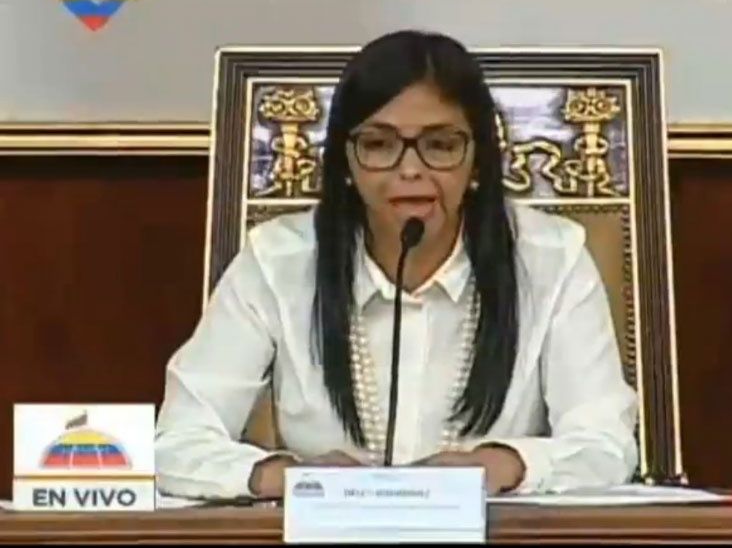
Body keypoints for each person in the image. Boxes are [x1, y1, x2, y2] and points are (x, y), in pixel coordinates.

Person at [154, 30, 638, 499]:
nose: (410, 169)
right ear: (345, 161)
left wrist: (504, 465)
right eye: (379, 144)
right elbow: (176, 442)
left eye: (440, 145)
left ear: (477, 161)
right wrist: (288, 478)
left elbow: (605, 444)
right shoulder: (277, 261)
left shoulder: (551, 259)